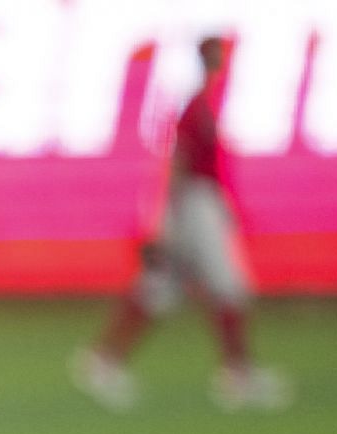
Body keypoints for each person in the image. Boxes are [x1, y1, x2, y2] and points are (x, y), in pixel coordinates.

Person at [72, 35, 290, 412]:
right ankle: (238, 375)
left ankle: (104, 360)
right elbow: (179, 164)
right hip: (193, 206)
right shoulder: (196, 108)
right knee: (227, 285)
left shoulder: (203, 105)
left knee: (159, 289)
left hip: (194, 204)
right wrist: (163, 221)